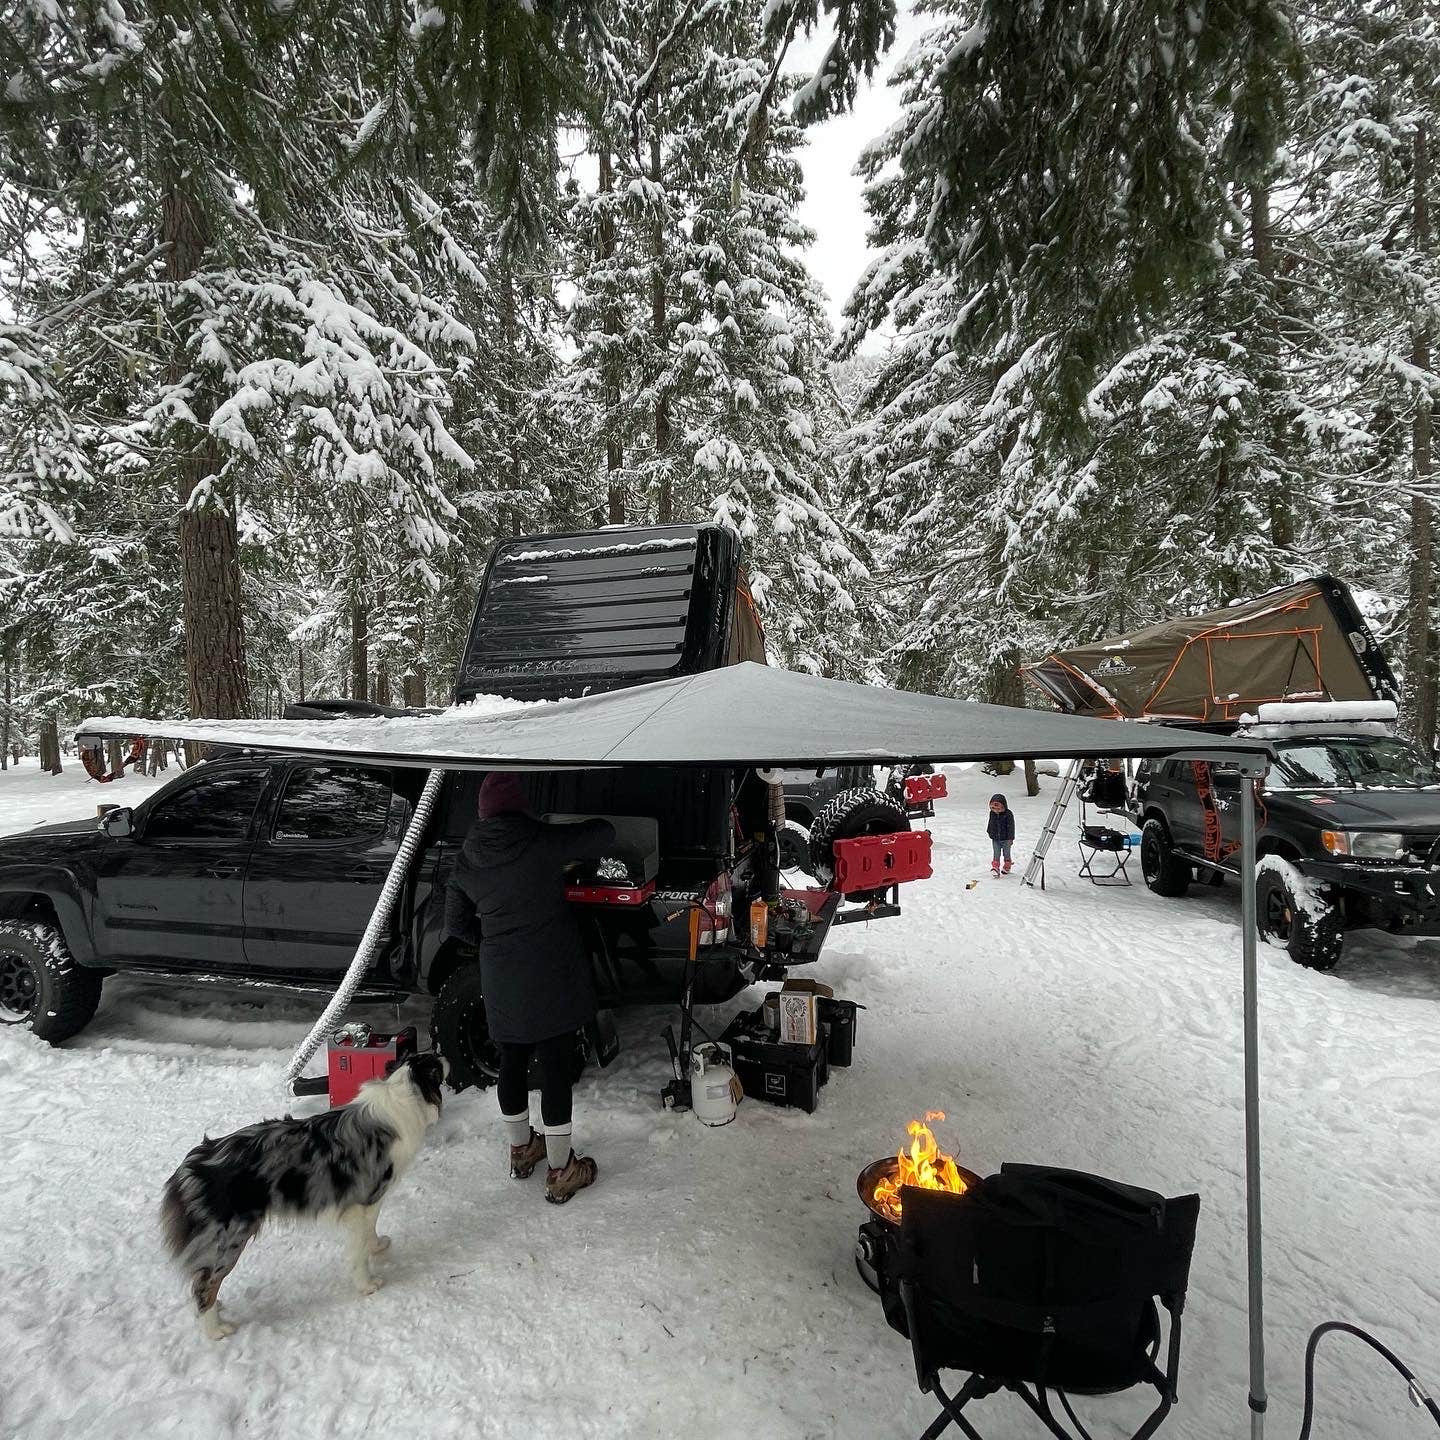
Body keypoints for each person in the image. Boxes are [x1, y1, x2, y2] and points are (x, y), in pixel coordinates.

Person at [445, 771, 616, 1204]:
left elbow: (454, 924)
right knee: (555, 1065)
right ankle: (561, 1170)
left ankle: (522, 1150)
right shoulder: (540, 841)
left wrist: (492, 942)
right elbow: (604, 834)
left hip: (501, 974)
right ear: (520, 807)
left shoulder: (468, 858)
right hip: (550, 972)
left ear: (483, 812)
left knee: (511, 1060)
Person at [987, 793, 1015, 875]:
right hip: (995, 838)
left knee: (1006, 853)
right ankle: (995, 867)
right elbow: (990, 823)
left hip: (1006, 839)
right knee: (996, 853)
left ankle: (1007, 866)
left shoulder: (1008, 814)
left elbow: (1011, 827)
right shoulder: (992, 814)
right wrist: (989, 832)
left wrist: (1011, 838)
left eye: (998, 809)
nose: (996, 811)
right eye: (993, 808)